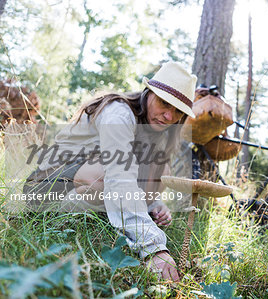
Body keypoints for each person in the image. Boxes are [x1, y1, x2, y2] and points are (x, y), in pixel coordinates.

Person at [22, 61, 197, 281]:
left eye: (178, 111)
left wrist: (155, 206)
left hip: (89, 189)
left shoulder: (157, 131)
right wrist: (154, 248)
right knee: (101, 176)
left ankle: (116, 222)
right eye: (164, 103)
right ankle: (59, 221)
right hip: (47, 188)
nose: (169, 116)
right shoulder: (119, 113)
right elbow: (119, 177)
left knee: (161, 165)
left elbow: (141, 178)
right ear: (149, 92)